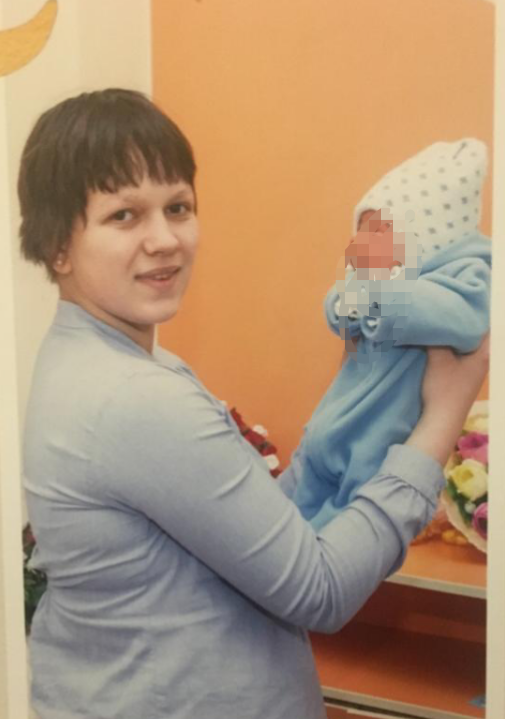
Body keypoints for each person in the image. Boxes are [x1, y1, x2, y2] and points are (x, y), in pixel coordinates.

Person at [19, 89, 489, 719]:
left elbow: (262, 522)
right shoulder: (131, 396)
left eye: (178, 207)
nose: (165, 240)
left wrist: (355, 394)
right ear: (57, 245)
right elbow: (321, 590)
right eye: (123, 216)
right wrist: (442, 418)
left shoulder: (115, 363)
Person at [292, 140, 491, 531]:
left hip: (379, 440)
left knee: (341, 525)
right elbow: (342, 313)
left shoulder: (466, 275)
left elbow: (462, 319)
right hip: (333, 426)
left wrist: (375, 293)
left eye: (376, 235)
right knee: (289, 508)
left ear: (425, 235)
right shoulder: (385, 283)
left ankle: (317, 549)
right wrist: (349, 299)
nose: (361, 248)